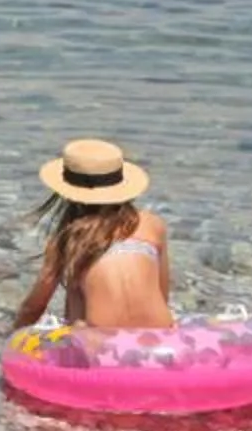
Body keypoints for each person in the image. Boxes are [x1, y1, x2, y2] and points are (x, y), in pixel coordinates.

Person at [12, 138, 176, 331]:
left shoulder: (67, 240)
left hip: (101, 343)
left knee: (75, 305)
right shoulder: (153, 224)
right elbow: (162, 295)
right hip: (161, 338)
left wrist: (13, 337)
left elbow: (34, 307)